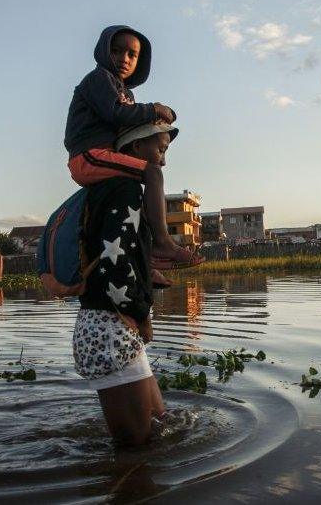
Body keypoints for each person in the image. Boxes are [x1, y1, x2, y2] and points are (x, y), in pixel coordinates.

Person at [64, 25, 203, 279]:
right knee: (152, 173)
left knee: (137, 197)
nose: (124, 59)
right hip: (88, 155)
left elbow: (133, 123)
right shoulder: (99, 79)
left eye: (132, 54)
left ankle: (144, 260)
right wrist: (154, 109)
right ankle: (162, 242)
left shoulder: (124, 92)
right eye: (116, 51)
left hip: (105, 155)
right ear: (103, 51)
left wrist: (160, 118)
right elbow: (116, 113)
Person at [74, 122, 181, 445]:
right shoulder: (124, 189)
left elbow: (123, 256)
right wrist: (143, 315)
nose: (162, 162)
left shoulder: (106, 190)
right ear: (136, 148)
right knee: (136, 446)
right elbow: (116, 267)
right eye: (160, 150)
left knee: (161, 425)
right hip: (111, 329)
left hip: (111, 328)